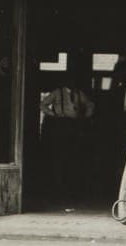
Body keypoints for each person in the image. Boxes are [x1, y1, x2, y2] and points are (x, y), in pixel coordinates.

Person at [39, 70, 95, 207]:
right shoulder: (57, 92)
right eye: (69, 80)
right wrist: (53, 114)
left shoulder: (78, 93)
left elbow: (90, 104)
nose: (72, 82)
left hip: (74, 126)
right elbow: (43, 104)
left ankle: (71, 191)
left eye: (73, 80)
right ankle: (58, 190)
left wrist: (86, 116)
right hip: (60, 125)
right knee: (59, 158)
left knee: (73, 159)